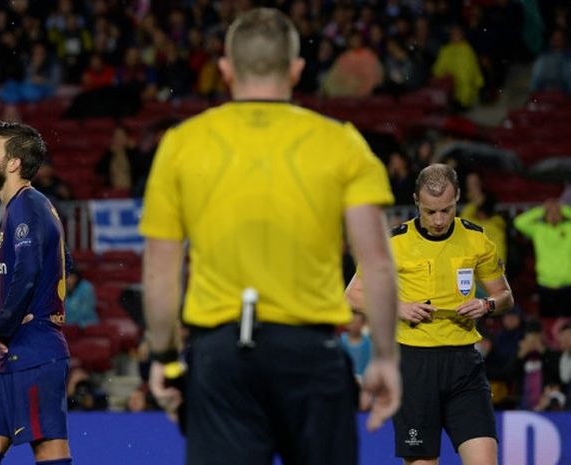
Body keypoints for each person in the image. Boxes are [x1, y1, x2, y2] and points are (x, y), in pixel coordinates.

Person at [139, 8, 401, 465]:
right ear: (297, 70)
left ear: (224, 69)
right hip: (311, 356)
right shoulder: (341, 142)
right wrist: (384, 357)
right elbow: (377, 262)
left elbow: (160, 268)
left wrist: (162, 355)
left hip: (220, 361)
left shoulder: (182, 143)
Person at [346, 163, 514, 465]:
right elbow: (353, 295)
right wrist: (398, 308)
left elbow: (505, 296)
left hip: (464, 364)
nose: (438, 220)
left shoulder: (477, 239)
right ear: (415, 202)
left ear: (458, 198)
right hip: (414, 366)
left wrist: (487, 304)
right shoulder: (393, 243)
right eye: (430, 211)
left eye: (446, 210)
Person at [0, 121, 73, 465]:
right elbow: (64, 262)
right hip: (15, 357)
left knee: (49, 455)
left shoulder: (27, 205)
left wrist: (4, 324)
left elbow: (28, 270)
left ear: (14, 163)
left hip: (34, 352)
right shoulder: (29, 206)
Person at [513, 198, 571, 317]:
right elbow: (518, 222)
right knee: (547, 323)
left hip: (568, 284)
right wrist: (542, 210)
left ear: (562, 215)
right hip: (545, 284)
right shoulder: (539, 229)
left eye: (557, 213)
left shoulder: (568, 228)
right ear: (545, 215)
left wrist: (563, 208)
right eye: (550, 213)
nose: (554, 216)